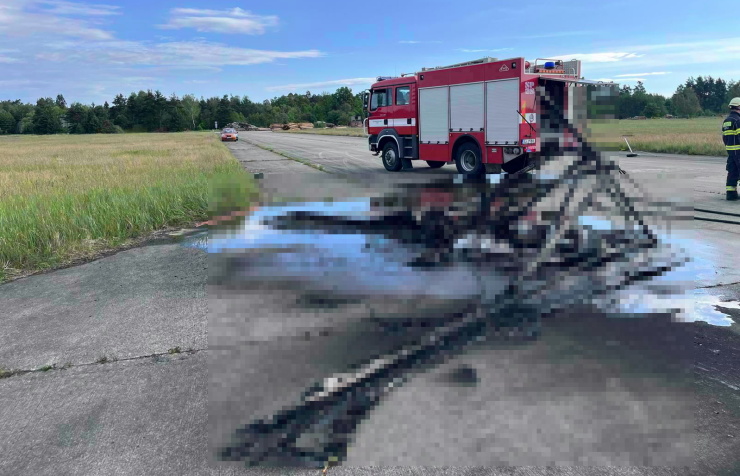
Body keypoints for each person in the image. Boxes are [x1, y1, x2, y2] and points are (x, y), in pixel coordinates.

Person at [723, 98, 740, 200]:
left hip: (731, 151)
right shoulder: (738, 120)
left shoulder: (727, 121)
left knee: (732, 172)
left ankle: (731, 193)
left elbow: (725, 137)